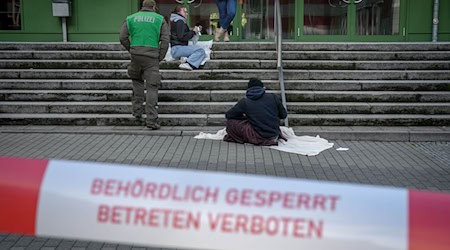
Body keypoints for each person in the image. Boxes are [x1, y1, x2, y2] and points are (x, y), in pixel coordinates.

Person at [119, 0, 169, 130]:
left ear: (142, 7)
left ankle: (137, 113)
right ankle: (151, 121)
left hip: (135, 56)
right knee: (152, 87)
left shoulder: (130, 18)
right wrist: (160, 57)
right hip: (152, 57)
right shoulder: (159, 19)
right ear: (153, 7)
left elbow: (122, 37)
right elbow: (165, 40)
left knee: (137, 82)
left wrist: (131, 49)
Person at [224, 78, 288, 146]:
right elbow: (283, 115)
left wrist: (244, 117)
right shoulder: (273, 97)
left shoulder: (245, 102)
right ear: (263, 88)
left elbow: (229, 115)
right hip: (274, 134)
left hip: (259, 135)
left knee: (230, 122)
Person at [170, 5, 206, 71]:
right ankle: (188, 63)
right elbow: (182, 37)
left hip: (176, 48)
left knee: (198, 51)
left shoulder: (176, 21)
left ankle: (189, 62)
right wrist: (193, 32)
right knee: (200, 51)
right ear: (178, 12)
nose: (187, 14)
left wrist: (193, 31)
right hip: (178, 48)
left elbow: (181, 35)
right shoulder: (179, 21)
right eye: (184, 12)